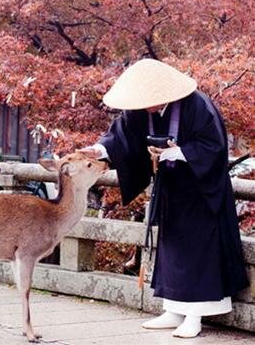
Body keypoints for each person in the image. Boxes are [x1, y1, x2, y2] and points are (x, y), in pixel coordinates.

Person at [78, 59, 249, 338]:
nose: (148, 108)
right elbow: (121, 137)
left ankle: (195, 315)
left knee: (198, 251)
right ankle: (173, 308)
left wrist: (179, 152)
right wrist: (98, 150)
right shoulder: (141, 110)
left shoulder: (198, 106)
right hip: (170, 188)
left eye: (151, 101)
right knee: (171, 249)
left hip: (201, 191)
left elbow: (213, 147)